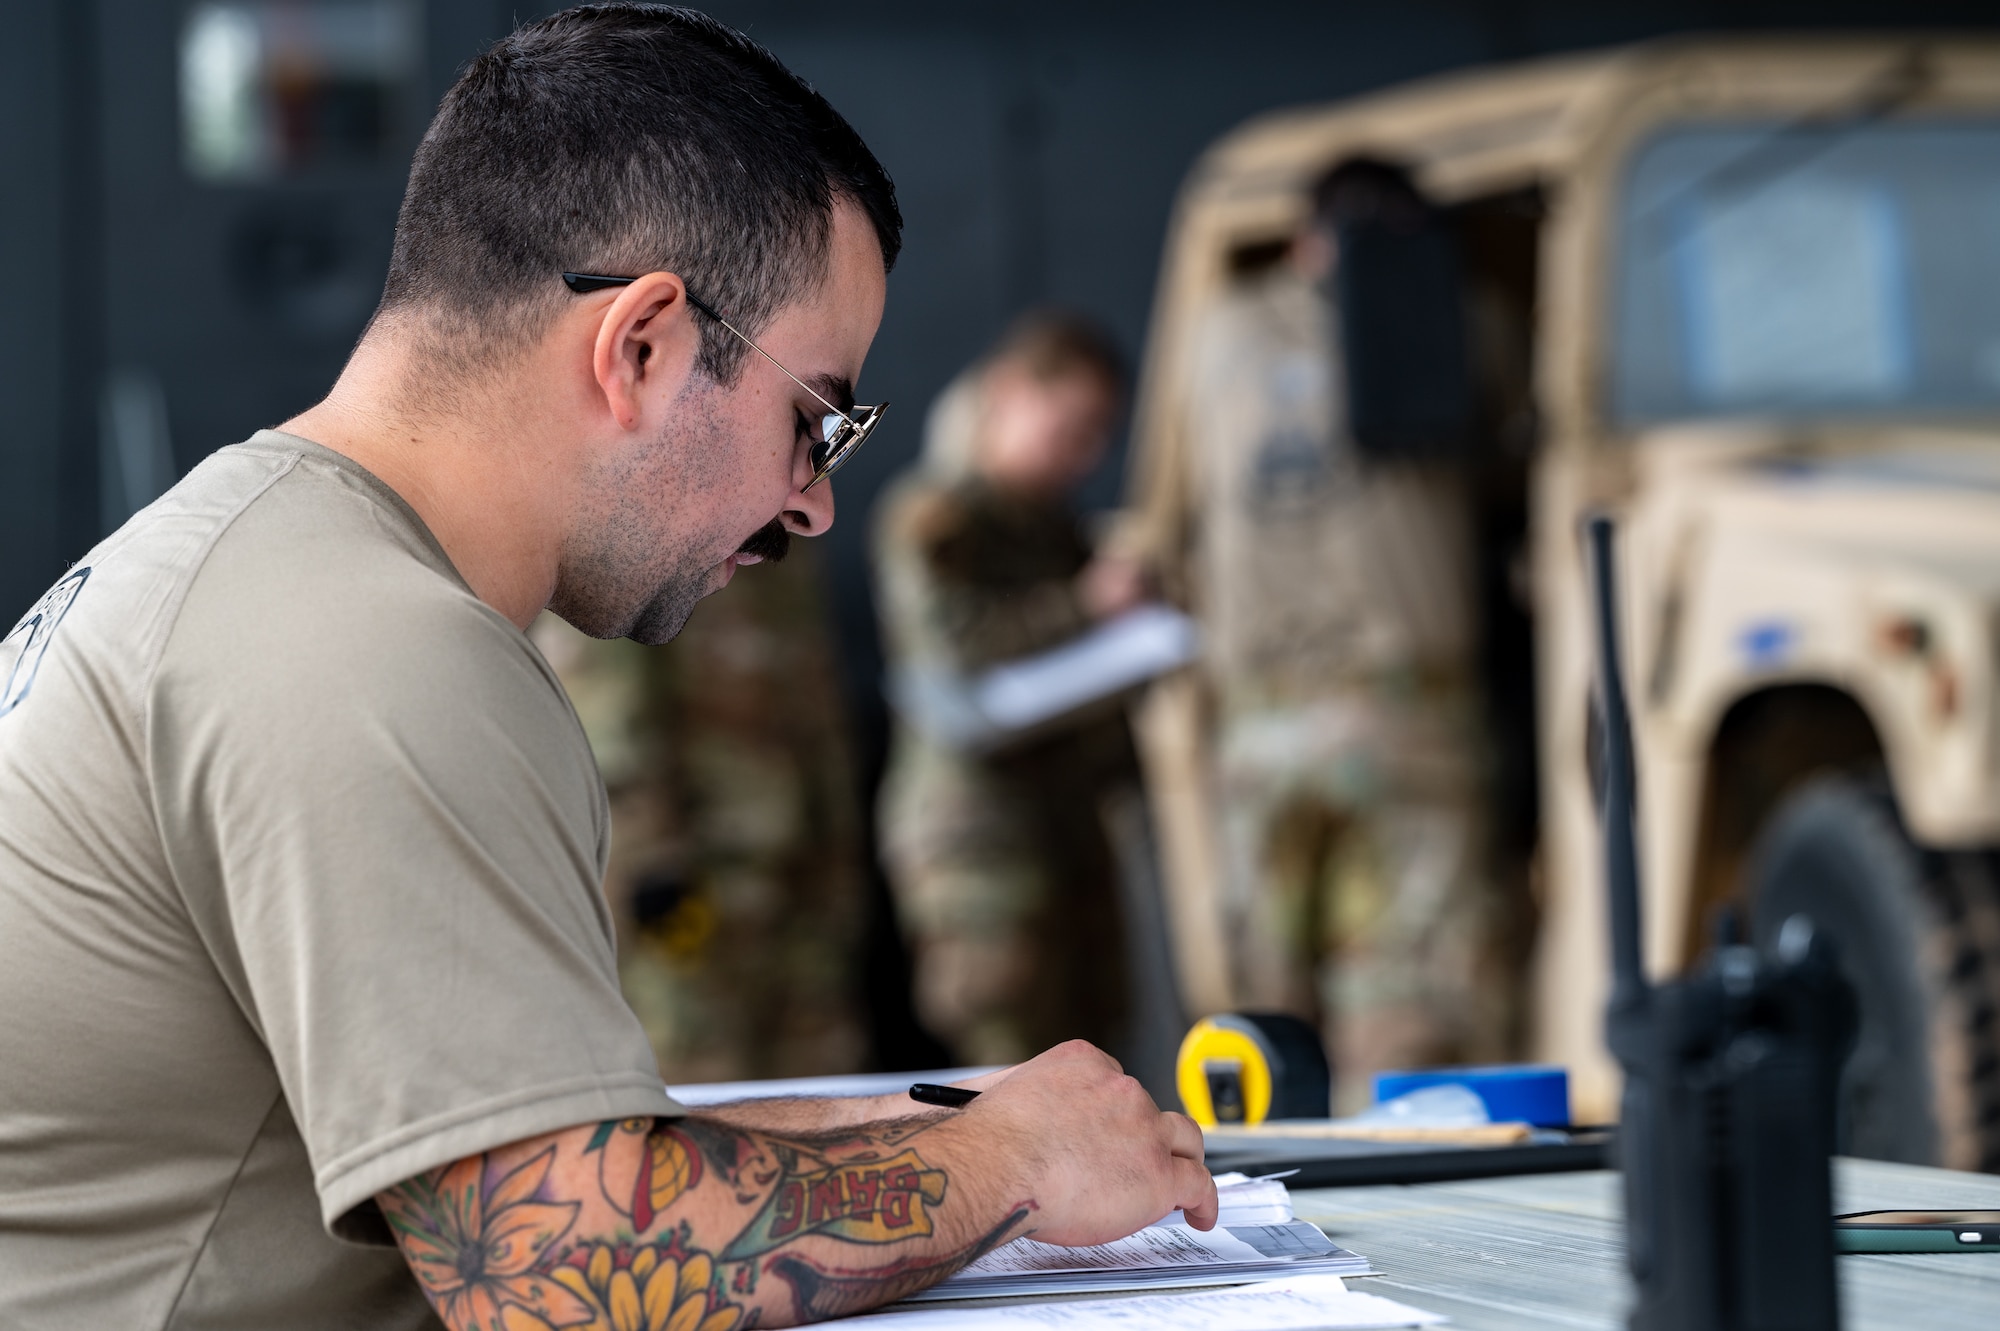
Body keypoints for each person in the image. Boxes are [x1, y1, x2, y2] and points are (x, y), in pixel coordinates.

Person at [0, 9, 1215, 1330]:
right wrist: (1012, 1161)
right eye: (817, 419)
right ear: (640, 345)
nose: (811, 506)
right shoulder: (374, 647)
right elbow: (559, 1271)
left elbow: (503, 1171)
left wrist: (927, 1121)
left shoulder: (257, 567)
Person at [1123, 157, 1514, 1108]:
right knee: (1409, 1008)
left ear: (1308, 237)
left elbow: (1165, 515)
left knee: (1262, 1016)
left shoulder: (1215, 333)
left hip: (1258, 731)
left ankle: (1266, 1221)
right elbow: (1514, 473)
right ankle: (1413, 1233)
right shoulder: (1464, 318)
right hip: (1408, 721)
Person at [873, 313, 1146, 1067]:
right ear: (1010, 392)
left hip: (1067, 838)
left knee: (1094, 1064)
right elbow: (954, 651)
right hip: (980, 848)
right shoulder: (936, 518)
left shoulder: (1054, 529)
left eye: (1098, 435)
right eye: (1070, 427)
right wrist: (1087, 605)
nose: (1083, 455)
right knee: (1010, 1074)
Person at [531, 535, 872, 1085]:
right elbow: (613, 732)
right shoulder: (635, 535)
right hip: (698, 870)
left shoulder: (780, 537)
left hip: (798, 856)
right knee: (704, 1070)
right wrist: (654, 864)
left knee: (817, 1064)